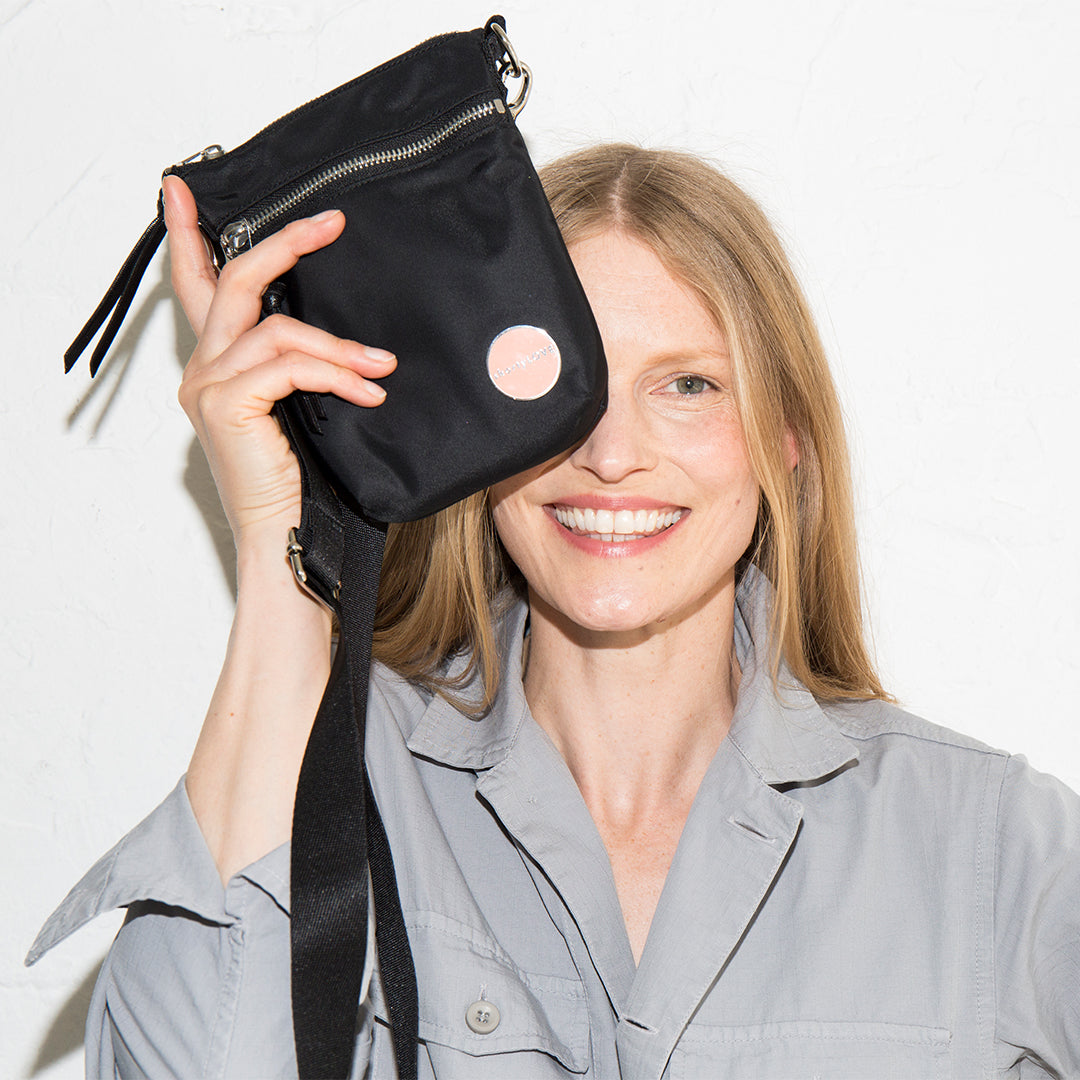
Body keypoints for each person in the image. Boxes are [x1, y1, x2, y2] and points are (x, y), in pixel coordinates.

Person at [29, 144, 1080, 1078]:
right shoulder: (339, 794)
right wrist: (275, 535)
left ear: (787, 435)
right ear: (479, 433)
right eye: (559, 386)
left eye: (690, 386)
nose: (613, 455)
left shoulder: (1001, 854)